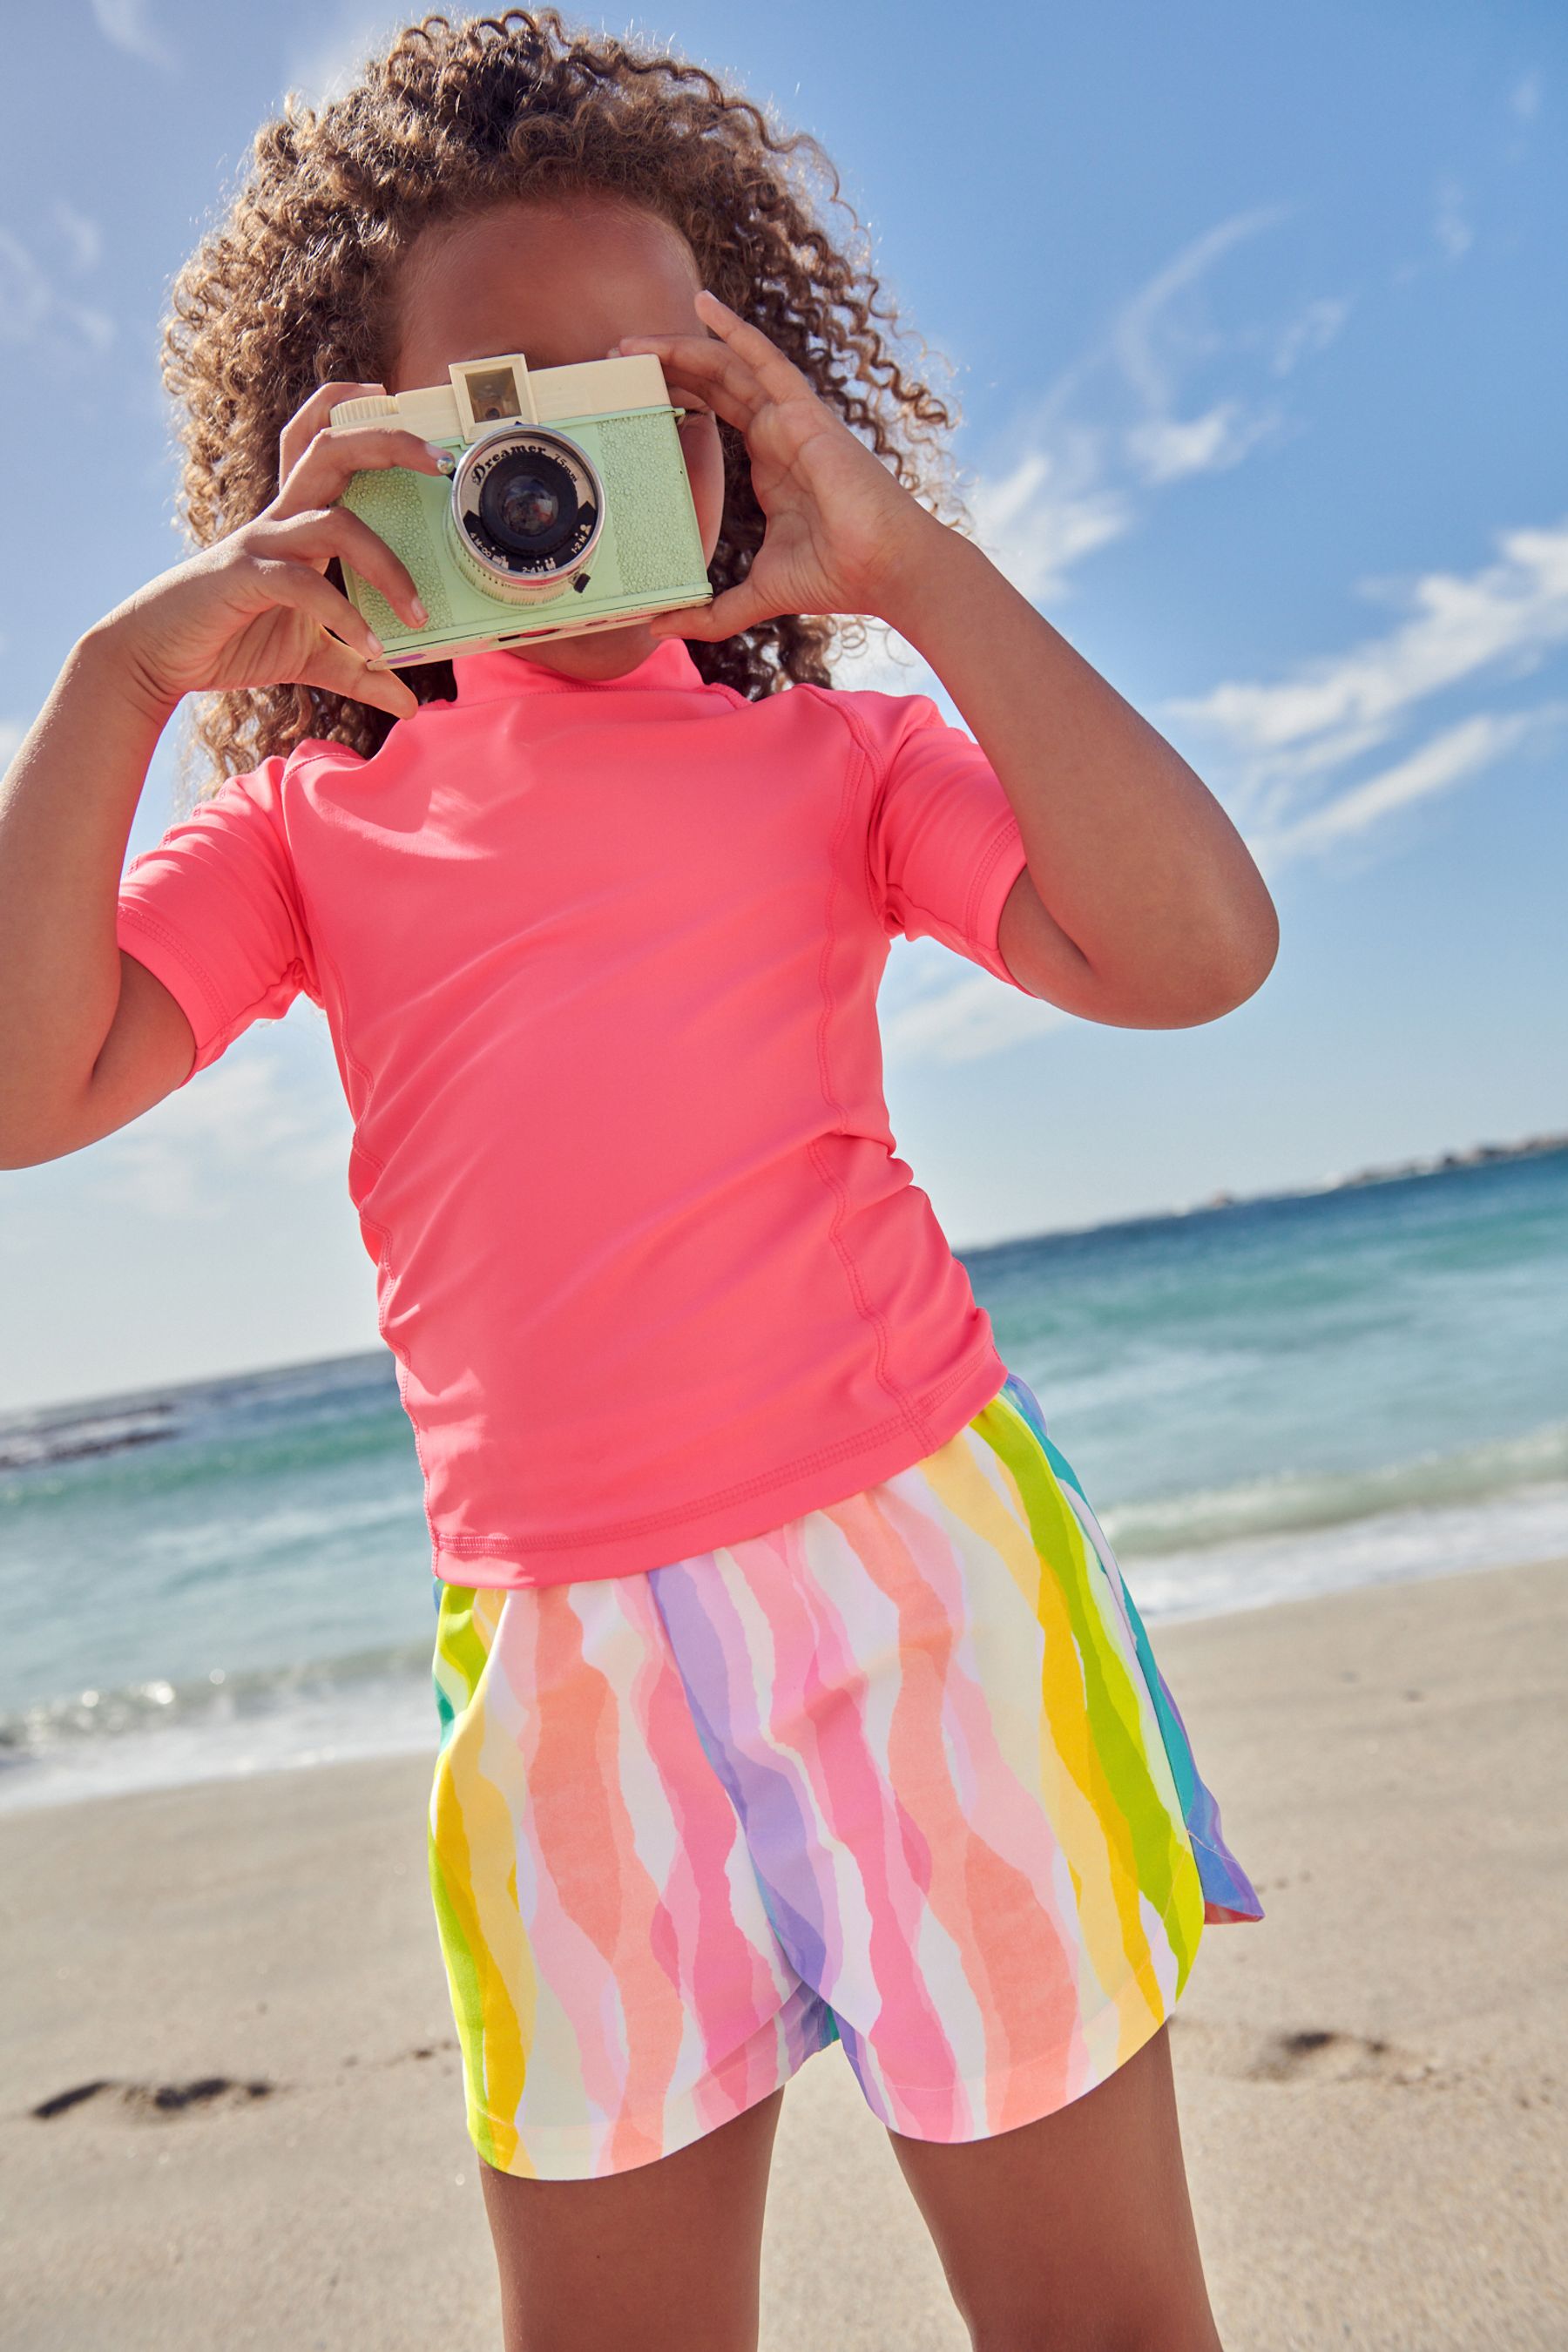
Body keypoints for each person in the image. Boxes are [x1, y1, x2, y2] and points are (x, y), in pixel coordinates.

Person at [0, 12, 1278, 2349]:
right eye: (496, 417)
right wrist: (117, 676)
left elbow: (1196, 950)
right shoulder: (308, 829)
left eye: (643, 397)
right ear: (354, 454)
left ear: (734, 417)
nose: (564, 470)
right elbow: (19, 1080)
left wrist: (909, 566)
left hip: (917, 1600)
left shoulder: (839, 755)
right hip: (562, 1664)